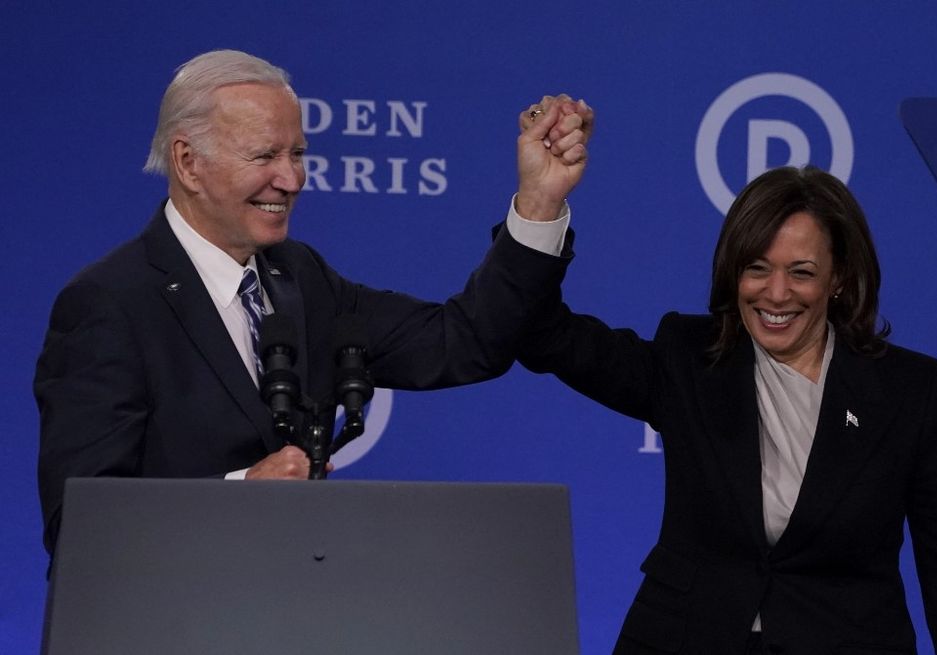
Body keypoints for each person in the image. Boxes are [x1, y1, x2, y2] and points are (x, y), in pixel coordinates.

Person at [34, 49, 592, 557]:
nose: (291, 178)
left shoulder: (300, 277)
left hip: (298, 607)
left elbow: (463, 342)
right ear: (188, 163)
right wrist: (237, 495)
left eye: (297, 153)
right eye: (264, 155)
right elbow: (80, 528)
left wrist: (539, 203)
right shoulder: (110, 305)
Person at [517, 166, 937, 654]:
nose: (776, 293)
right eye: (757, 268)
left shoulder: (912, 391)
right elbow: (541, 333)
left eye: (801, 272)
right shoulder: (688, 358)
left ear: (838, 277)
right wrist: (541, 202)